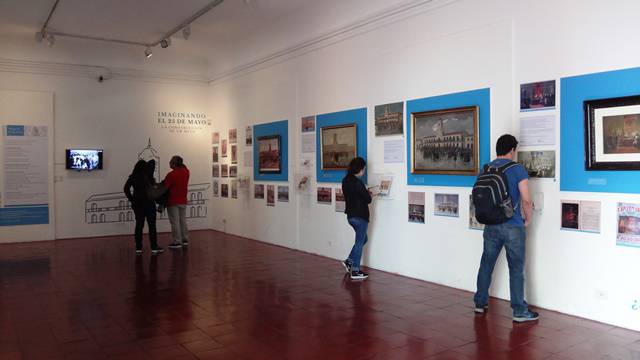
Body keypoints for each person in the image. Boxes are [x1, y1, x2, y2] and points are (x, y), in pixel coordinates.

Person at [473, 134, 537, 322]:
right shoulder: (517, 169)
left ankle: (479, 302)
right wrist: (528, 219)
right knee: (516, 268)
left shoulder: (486, 168)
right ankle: (519, 311)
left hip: (490, 225)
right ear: (512, 150)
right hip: (513, 226)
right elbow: (526, 199)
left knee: (486, 264)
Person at [341, 157, 377, 280]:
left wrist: (364, 193)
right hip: (360, 216)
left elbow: (353, 195)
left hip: (351, 216)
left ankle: (349, 261)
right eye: (364, 170)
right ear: (360, 169)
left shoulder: (345, 180)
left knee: (363, 239)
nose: (364, 172)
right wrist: (368, 194)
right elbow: (368, 199)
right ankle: (355, 271)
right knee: (359, 242)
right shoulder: (358, 182)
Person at [123, 160, 164, 255]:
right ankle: (154, 247)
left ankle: (138, 248)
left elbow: (126, 189)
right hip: (149, 203)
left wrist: (132, 199)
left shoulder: (133, 177)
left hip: (138, 204)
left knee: (139, 225)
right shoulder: (148, 177)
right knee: (152, 226)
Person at [163, 155, 190, 249]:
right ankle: (185, 239)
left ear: (174, 163)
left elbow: (165, 187)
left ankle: (177, 241)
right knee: (183, 220)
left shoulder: (171, 174)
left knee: (175, 222)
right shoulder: (186, 172)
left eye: (171, 161)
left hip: (172, 200)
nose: (169, 163)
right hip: (183, 199)